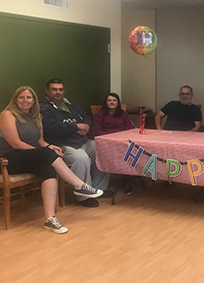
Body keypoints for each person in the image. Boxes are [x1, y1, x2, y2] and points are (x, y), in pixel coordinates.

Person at [0, 86, 103, 233]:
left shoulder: (36, 117)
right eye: (21, 97)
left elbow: (40, 141)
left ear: (33, 100)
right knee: (47, 154)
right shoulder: (7, 115)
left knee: (48, 169)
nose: (25, 100)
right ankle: (80, 186)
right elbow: (15, 143)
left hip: (30, 156)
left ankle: (50, 219)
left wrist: (50, 146)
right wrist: (44, 151)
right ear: (15, 99)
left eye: (29, 97)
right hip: (9, 159)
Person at [40, 78, 110, 207]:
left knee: (104, 150)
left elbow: (86, 118)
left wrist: (86, 126)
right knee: (81, 159)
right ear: (47, 91)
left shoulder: (70, 104)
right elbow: (51, 128)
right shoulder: (43, 108)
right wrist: (77, 126)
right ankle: (84, 196)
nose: (58, 92)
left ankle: (98, 187)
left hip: (81, 140)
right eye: (54, 89)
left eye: (60, 89)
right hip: (62, 144)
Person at [93, 93, 136, 195]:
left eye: (114, 100)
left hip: (121, 141)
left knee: (130, 152)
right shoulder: (100, 114)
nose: (111, 102)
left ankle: (126, 179)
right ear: (106, 103)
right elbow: (96, 131)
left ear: (118, 103)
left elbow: (131, 128)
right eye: (109, 100)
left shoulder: (123, 114)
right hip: (106, 142)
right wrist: (111, 136)